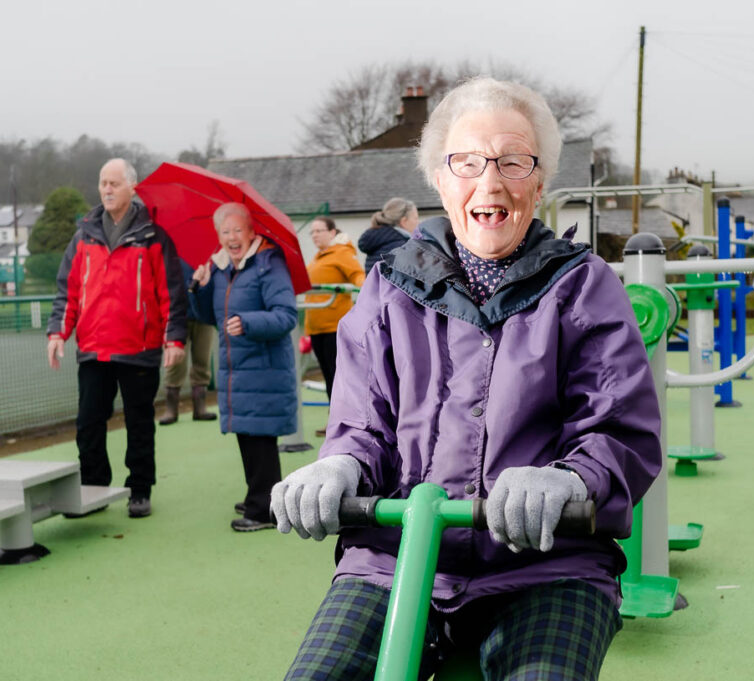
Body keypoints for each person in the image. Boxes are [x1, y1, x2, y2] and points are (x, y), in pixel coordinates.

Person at [271, 78, 663, 680]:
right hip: (394, 559)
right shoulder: (388, 289)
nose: (491, 182)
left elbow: (620, 428)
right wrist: (339, 465)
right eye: (468, 162)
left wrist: (568, 479)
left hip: (546, 564)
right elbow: (362, 424)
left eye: (513, 161)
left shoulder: (582, 286)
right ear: (439, 178)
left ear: (539, 181)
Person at [47, 158, 186, 519]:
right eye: (102, 182)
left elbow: (171, 292)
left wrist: (174, 339)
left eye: (114, 183)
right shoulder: (83, 235)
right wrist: (57, 333)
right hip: (93, 349)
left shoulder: (154, 236)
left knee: (139, 423)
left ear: (131, 188)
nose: (106, 189)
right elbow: (68, 290)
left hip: (139, 350)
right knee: (88, 423)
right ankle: (93, 488)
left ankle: (140, 490)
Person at [192, 202, 298, 532]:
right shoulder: (221, 269)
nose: (232, 237)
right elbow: (208, 316)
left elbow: (286, 316)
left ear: (252, 233)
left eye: (238, 230)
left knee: (260, 437)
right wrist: (201, 286)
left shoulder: (269, 263)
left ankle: (264, 508)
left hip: (263, 369)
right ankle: (260, 494)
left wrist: (248, 322)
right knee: (248, 436)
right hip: (237, 369)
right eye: (225, 232)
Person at [304, 216, 365, 403]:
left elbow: (358, 276)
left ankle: (344, 422)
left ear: (332, 232)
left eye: (319, 231)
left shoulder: (342, 253)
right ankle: (333, 421)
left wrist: (365, 293)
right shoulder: (316, 258)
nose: (314, 235)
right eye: (312, 232)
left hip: (334, 327)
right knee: (328, 377)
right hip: (316, 327)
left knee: (338, 376)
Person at [158, 258, 218, 425]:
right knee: (175, 363)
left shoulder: (208, 254)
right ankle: (171, 409)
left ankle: (200, 407)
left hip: (203, 312)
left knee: (202, 360)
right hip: (178, 314)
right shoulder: (171, 254)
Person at [357, 197, 418, 274]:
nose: (418, 222)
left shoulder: (377, 242)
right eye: (416, 218)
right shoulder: (403, 248)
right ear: (404, 221)